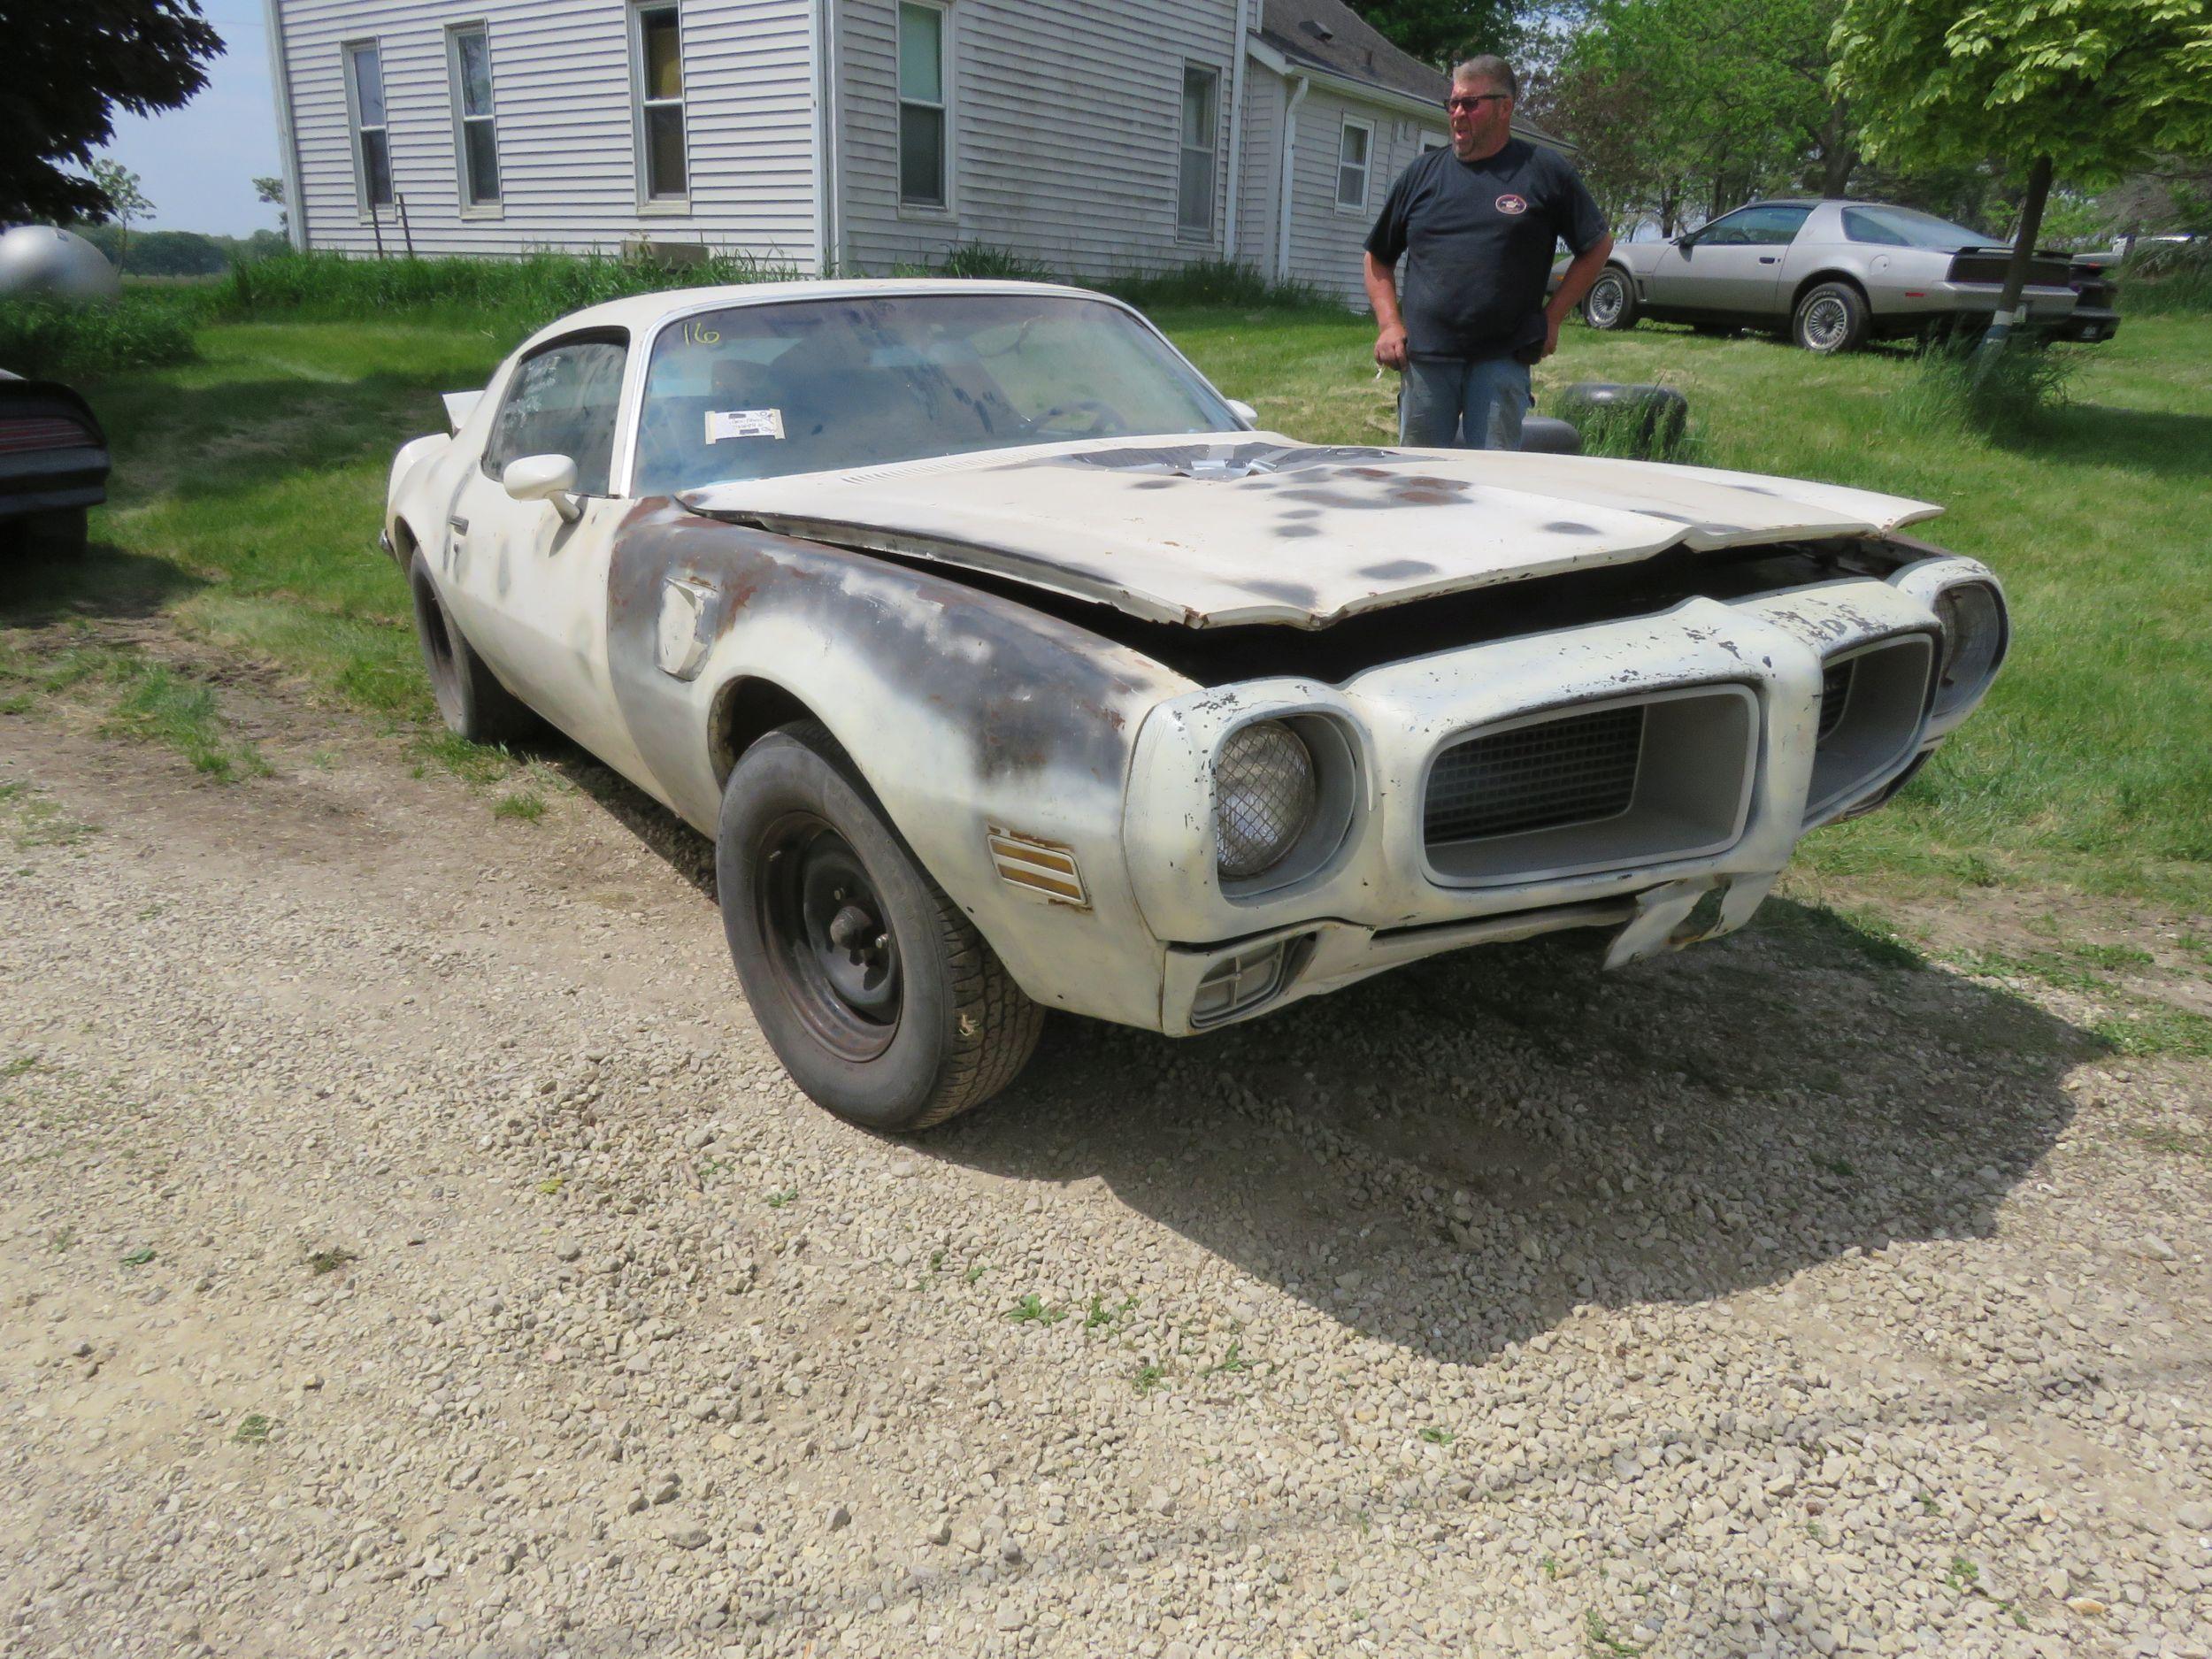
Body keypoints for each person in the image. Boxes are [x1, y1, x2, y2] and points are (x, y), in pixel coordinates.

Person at [1363, 55, 1614, 450]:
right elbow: (1378, 256)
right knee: (1418, 483)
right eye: (1453, 103)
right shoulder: (1422, 175)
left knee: (1492, 484)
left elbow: (1597, 245)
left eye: (1470, 103)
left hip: (1502, 359)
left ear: (1505, 108)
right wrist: (1389, 325)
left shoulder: (1544, 171)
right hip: (1427, 360)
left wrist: (1554, 316)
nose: (1458, 114)